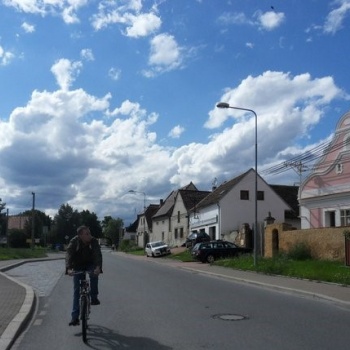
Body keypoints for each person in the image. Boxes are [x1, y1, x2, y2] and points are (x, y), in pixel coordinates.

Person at [65, 225, 102, 326]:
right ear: (80, 235)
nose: (90, 235)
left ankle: (94, 297)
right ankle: (74, 318)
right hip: (78, 265)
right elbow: (68, 254)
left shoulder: (93, 241)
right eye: (87, 234)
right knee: (77, 291)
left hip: (90, 263)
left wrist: (98, 267)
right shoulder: (74, 242)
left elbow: (97, 254)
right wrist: (68, 268)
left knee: (94, 275)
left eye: (89, 233)